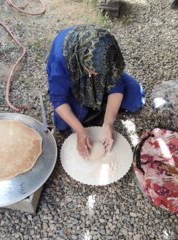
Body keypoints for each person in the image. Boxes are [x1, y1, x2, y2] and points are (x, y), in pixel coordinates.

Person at [46, 25, 145, 158]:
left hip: (98, 72)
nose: (96, 74)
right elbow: (58, 100)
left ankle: (99, 108)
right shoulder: (62, 60)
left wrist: (108, 123)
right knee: (65, 124)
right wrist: (80, 131)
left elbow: (116, 85)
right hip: (74, 82)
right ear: (82, 60)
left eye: (99, 72)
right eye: (93, 70)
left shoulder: (108, 49)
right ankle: (97, 108)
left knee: (135, 96)